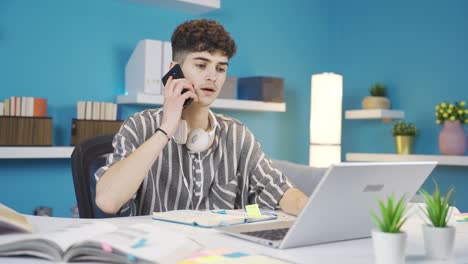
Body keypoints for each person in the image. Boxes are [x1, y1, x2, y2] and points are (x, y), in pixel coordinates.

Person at [95, 19, 308, 216]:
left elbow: (279, 190)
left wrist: (309, 209)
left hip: (217, 253)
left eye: (220, 68)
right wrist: (166, 128)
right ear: (174, 71)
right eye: (201, 65)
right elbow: (107, 201)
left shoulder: (236, 135)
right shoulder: (139, 126)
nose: (212, 76)